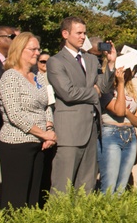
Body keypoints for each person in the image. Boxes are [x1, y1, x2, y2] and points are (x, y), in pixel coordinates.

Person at [45, 17, 113, 194]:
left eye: (84, 33)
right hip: (69, 131)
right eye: (79, 33)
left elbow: (103, 87)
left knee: (86, 185)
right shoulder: (56, 61)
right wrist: (93, 92)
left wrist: (111, 63)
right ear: (65, 34)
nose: (83, 37)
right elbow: (67, 93)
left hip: (91, 129)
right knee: (63, 185)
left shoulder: (91, 59)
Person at [0, 33, 56, 209]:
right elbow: (15, 114)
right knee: (16, 197)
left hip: (39, 144)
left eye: (38, 49)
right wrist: (44, 134)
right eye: (33, 49)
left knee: (34, 196)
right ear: (19, 50)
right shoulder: (10, 77)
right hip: (17, 143)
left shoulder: (38, 77)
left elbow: (47, 105)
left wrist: (49, 129)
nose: (37, 53)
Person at [98, 67, 137, 194]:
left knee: (122, 183)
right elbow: (119, 110)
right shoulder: (106, 90)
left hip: (130, 135)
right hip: (111, 134)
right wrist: (120, 83)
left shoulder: (131, 91)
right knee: (109, 183)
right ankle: (106, 211)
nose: (125, 73)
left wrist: (127, 111)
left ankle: (118, 212)